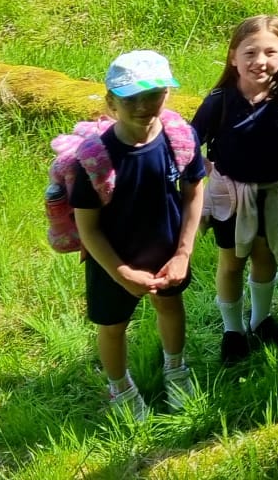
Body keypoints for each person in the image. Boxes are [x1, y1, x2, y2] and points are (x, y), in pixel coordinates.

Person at [65, 50, 205, 419]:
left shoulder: (180, 138)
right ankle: (120, 387)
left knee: (171, 306)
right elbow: (88, 227)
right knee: (113, 327)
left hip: (167, 250)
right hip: (113, 260)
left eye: (153, 94)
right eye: (130, 98)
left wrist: (183, 254)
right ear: (111, 101)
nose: (143, 106)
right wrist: (121, 272)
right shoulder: (95, 159)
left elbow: (194, 192)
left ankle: (175, 368)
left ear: (167, 94)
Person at [194, 15, 278, 364]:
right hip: (231, 196)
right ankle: (232, 330)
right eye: (250, 53)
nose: (260, 61)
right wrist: (213, 172)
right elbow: (190, 144)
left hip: (275, 191)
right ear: (234, 56)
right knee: (232, 261)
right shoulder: (220, 100)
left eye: (270, 52)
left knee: (265, 255)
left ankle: (260, 319)